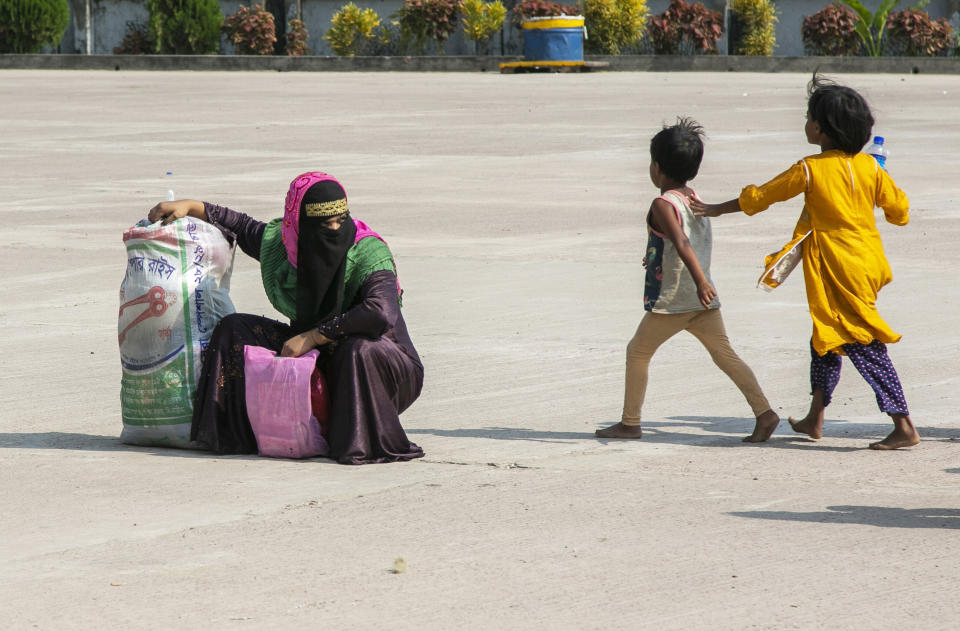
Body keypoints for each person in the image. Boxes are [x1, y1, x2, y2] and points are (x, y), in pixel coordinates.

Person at [692, 74, 918, 451]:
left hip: (836, 266)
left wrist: (716, 209)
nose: (807, 122)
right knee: (824, 338)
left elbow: (763, 196)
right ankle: (815, 416)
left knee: (861, 340)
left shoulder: (810, 168)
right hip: (867, 262)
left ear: (823, 129)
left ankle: (903, 423)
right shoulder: (870, 168)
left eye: (811, 117)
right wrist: (877, 177)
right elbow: (900, 213)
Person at [147, 172, 425, 464]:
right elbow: (241, 225)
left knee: (357, 350)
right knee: (235, 328)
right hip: (320, 361)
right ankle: (236, 436)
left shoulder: (368, 251)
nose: (333, 230)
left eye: (340, 222)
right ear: (299, 227)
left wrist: (312, 336)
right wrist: (191, 206)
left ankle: (354, 438)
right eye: (322, 225)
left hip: (383, 366)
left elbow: (381, 312)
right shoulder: (284, 248)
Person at [596, 118, 780, 442]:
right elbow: (673, 242)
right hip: (703, 299)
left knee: (637, 352)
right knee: (725, 354)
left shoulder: (662, 203)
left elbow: (681, 242)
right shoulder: (693, 198)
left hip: (679, 298)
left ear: (656, 168)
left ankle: (630, 423)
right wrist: (660, 259)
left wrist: (698, 280)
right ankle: (765, 413)